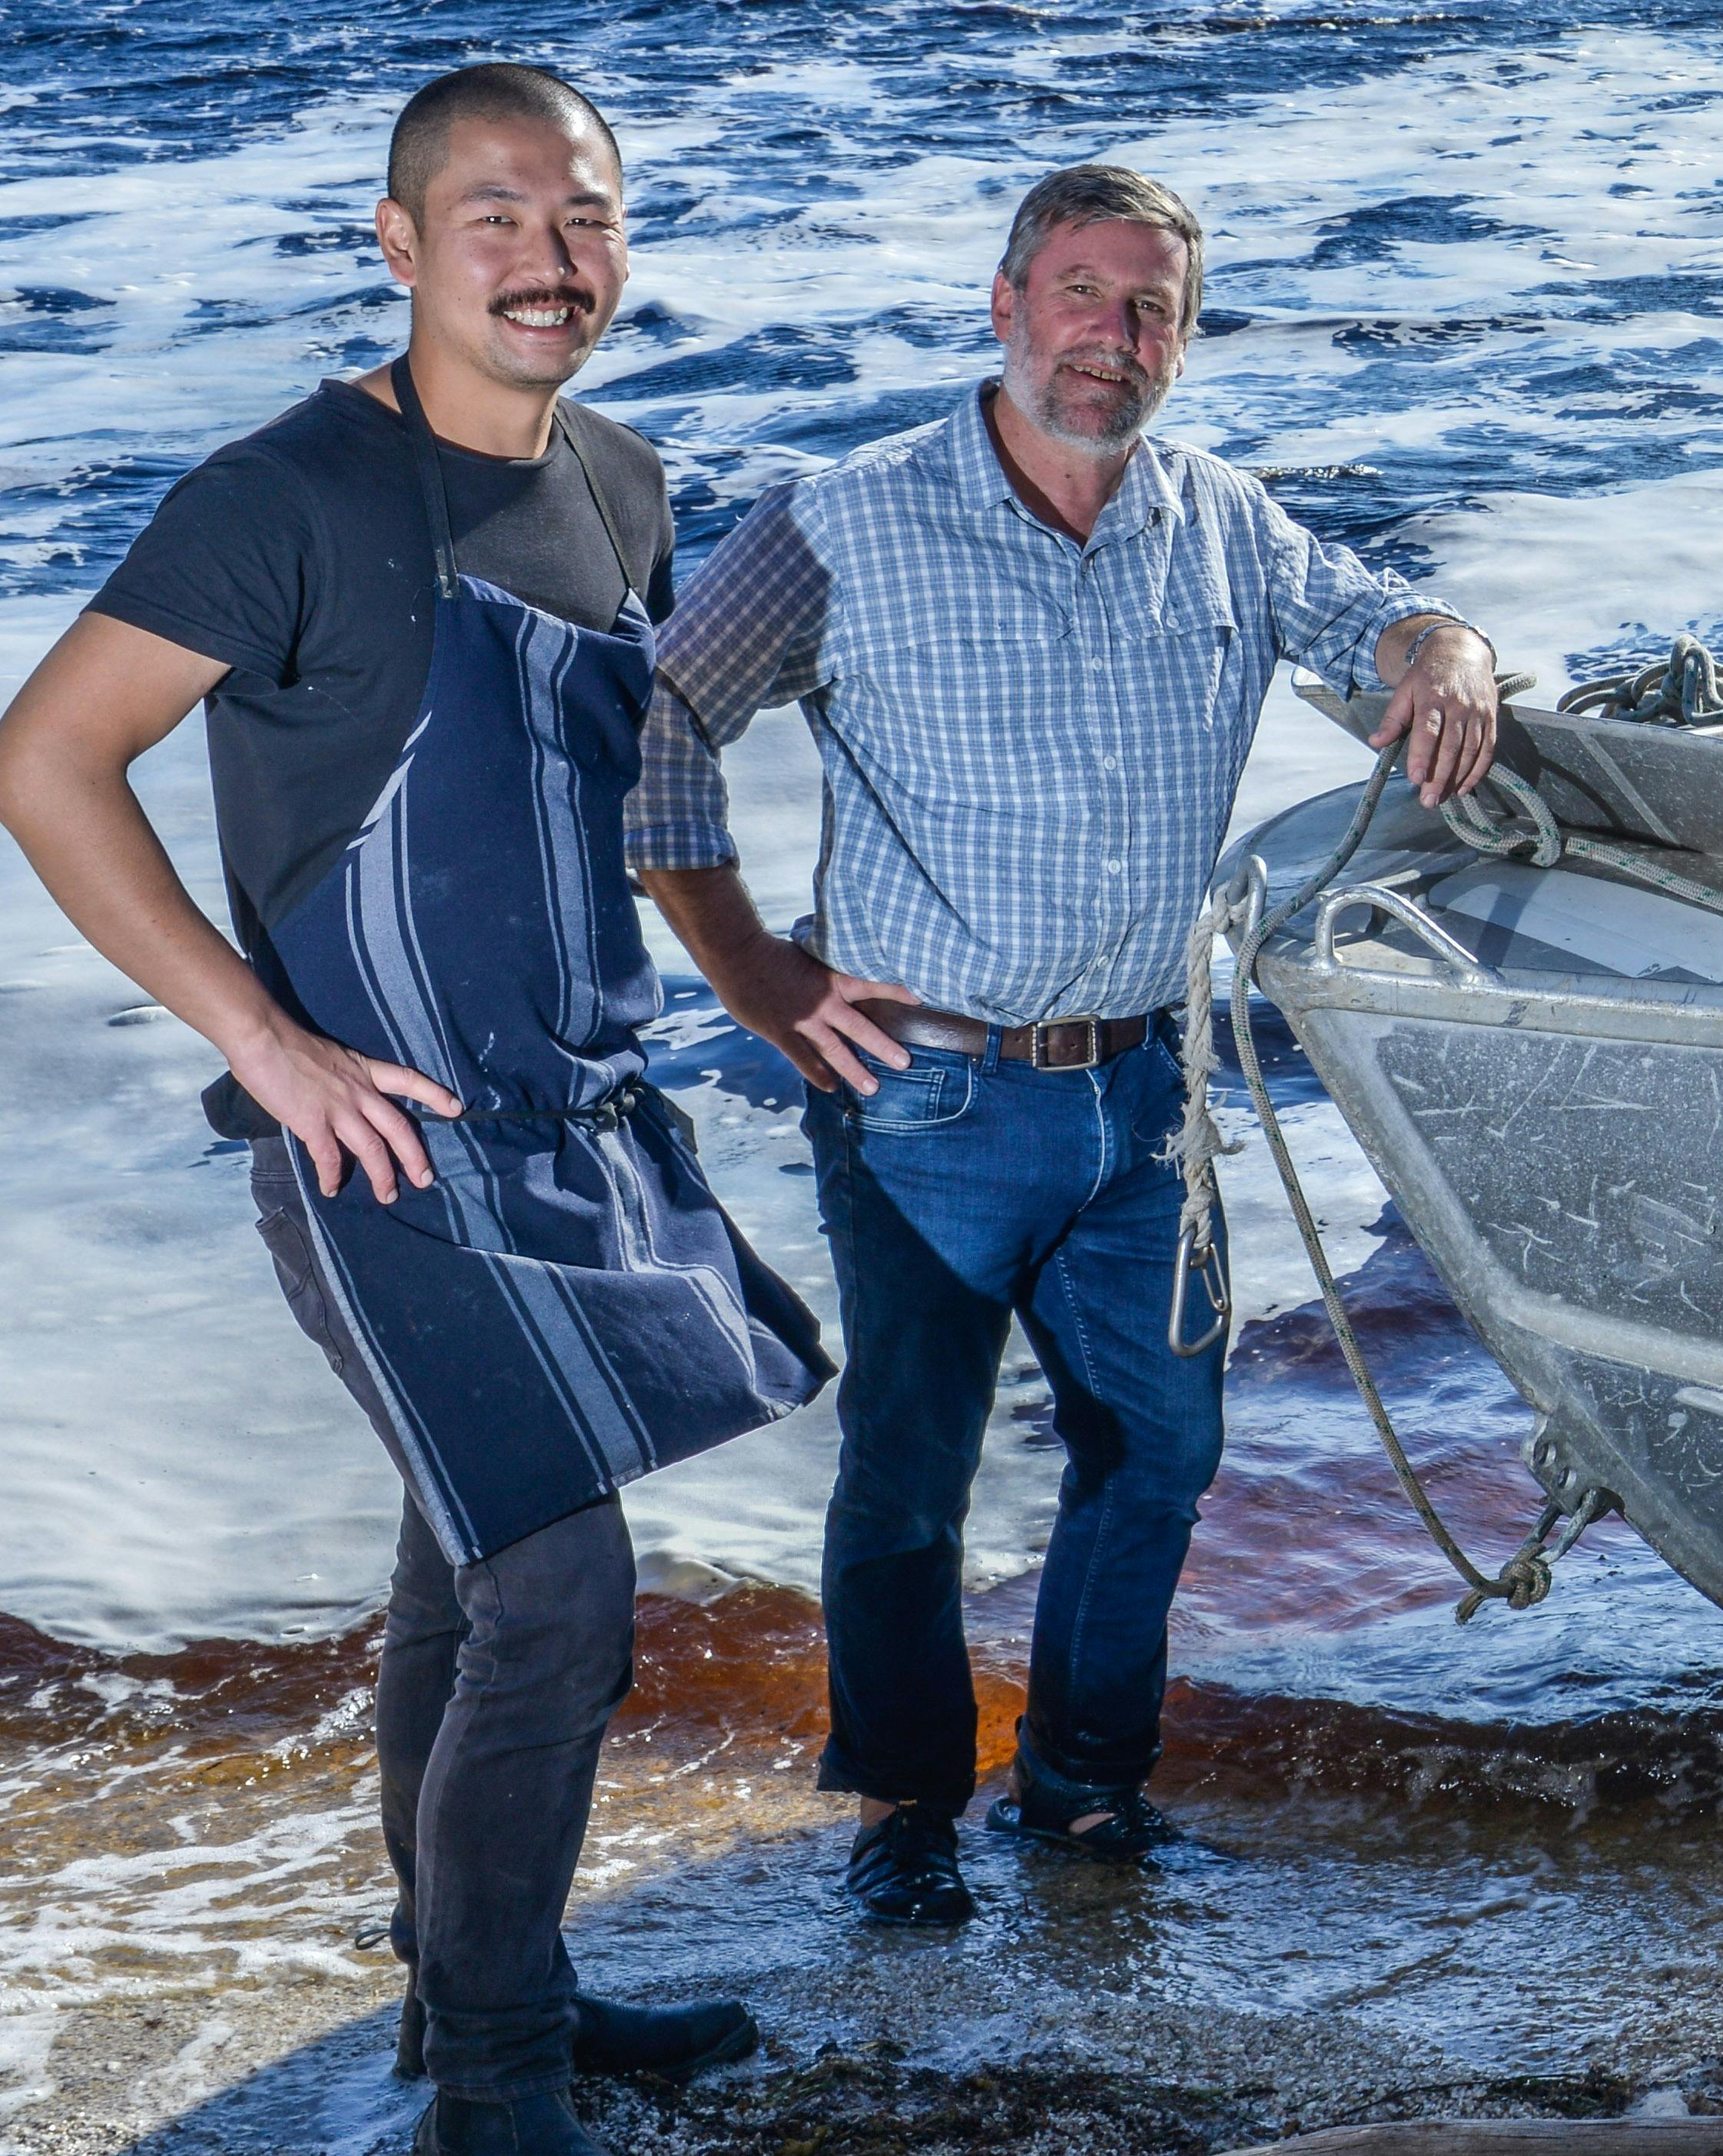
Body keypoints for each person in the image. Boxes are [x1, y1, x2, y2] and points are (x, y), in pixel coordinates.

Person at [0, 61, 826, 2156]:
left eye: (588, 220)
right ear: (401, 243)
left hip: (573, 1119)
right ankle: (495, 2104)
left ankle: (484, 1988)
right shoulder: (281, 497)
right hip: (377, 1150)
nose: (551, 262)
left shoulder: (623, 484)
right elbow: (44, 768)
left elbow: (610, 793)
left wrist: (753, 977)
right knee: (558, 1595)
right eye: (500, 219)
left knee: (470, 1567)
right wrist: (265, 1046)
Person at [629, 161, 1506, 1930]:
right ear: (1009, 302)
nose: (1116, 338)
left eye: (1154, 309)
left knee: (1161, 1459)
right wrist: (747, 971)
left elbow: (1373, 618)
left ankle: (1085, 1796)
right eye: (1086, 295)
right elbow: (656, 716)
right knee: (911, 1476)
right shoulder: (843, 517)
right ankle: (900, 1810)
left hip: (1152, 1088)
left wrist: (1450, 645)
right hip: (924, 1085)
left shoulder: (1220, 516)